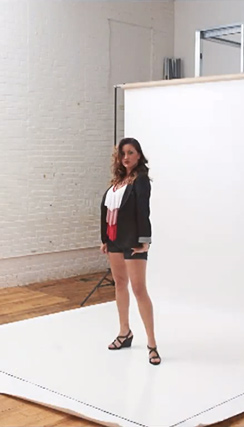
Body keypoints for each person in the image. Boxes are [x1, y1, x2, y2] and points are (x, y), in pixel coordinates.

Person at [100, 137, 161, 365]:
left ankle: (152, 344)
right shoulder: (117, 181)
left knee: (139, 289)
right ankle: (124, 332)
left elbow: (143, 211)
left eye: (130, 152)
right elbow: (106, 210)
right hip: (114, 241)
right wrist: (105, 238)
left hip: (133, 241)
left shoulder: (141, 180)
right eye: (122, 153)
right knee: (119, 284)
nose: (126, 157)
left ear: (138, 155)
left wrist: (145, 240)